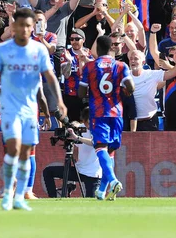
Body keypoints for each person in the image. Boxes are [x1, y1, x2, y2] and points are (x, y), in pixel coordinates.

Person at [0, 7, 64, 211]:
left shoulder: (39, 50)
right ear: (14, 26)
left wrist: (59, 101)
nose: (25, 29)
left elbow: (50, 77)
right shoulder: (3, 49)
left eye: (29, 25)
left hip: (30, 109)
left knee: (26, 152)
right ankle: (8, 191)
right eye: (21, 25)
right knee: (13, 150)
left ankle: (19, 196)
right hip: (9, 107)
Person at [78, 35, 134, 201]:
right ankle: (102, 191)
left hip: (99, 112)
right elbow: (131, 88)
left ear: (98, 49)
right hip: (116, 112)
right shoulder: (121, 65)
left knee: (100, 147)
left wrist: (92, 90)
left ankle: (113, 180)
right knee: (110, 152)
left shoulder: (90, 66)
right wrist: (122, 89)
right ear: (112, 48)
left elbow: (81, 93)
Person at [42, 107, 101, 198]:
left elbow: (95, 142)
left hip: (93, 174)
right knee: (48, 172)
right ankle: (53, 199)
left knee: (91, 201)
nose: (89, 125)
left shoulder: (100, 129)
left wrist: (77, 138)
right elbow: (75, 127)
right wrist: (70, 133)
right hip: (79, 170)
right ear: (83, 120)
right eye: (87, 122)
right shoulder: (81, 128)